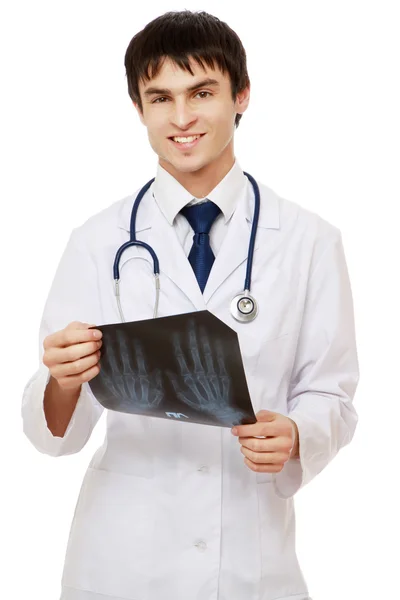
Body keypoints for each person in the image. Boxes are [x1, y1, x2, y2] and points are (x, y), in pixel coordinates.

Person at [21, 9, 359, 600]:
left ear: (242, 95)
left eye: (201, 92)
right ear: (138, 109)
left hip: (251, 561)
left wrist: (299, 434)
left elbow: (331, 392)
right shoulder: (97, 241)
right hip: (121, 561)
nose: (181, 118)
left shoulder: (308, 239)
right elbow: (57, 432)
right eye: (160, 98)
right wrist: (64, 379)